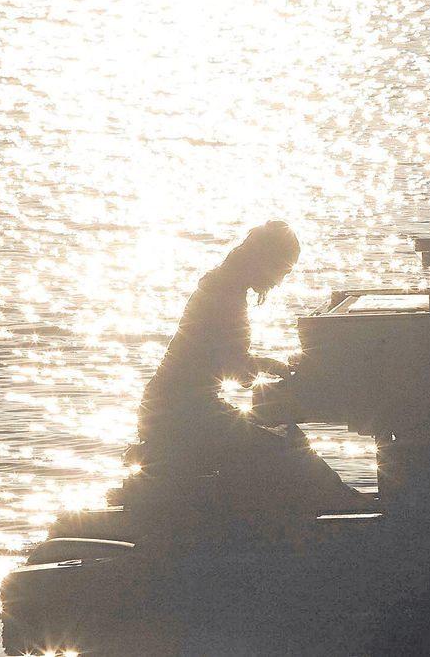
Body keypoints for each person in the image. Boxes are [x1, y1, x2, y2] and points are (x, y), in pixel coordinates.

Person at [125, 221, 368, 515]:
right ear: (264, 259)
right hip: (181, 413)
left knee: (286, 438)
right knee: (286, 445)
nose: (279, 280)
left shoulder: (222, 284)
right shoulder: (226, 294)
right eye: (282, 270)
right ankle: (338, 506)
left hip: (176, 406)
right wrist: (274, 366)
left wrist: (267, 364)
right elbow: (239, 373)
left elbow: (227, 359)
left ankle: (338, 500)